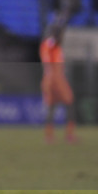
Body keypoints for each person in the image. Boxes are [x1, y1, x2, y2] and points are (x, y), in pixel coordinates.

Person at [39, 16, 77, 144]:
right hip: (55, 78)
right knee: (69, 103)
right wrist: (59, 24)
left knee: (52, 107)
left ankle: (49, 136)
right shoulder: (51, 44)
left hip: (49, 78)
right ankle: (69, 135)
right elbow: (53, 41)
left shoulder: (50, 45)